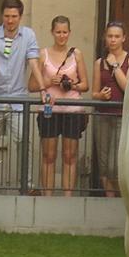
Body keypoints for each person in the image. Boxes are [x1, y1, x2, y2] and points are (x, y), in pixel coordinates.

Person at [0, 0, 42, 197]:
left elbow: (33, 62)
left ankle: (27, 186)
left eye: (14, 16)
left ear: (20, 17)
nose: (10, 20)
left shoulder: (28, 35)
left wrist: (43, 90)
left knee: (24, 142)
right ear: (1, 16)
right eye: (7, 16)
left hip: (17, 100)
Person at [36, 14, 90, 195]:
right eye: (58, 32)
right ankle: (47, 197)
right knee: (48, 156)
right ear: (52, 32)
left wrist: (70, 84)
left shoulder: (77, 54)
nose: (61, 36)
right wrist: (50, 81)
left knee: (70, 155)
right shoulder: (43, 54)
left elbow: (85, 85)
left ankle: (68, 198)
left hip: (72, 109)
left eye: (65, 32)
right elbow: (32, 85)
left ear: (69, 33)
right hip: (49, 110)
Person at [92, 20, 129, 196]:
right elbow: (93, 93)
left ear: (124, 38)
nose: (113, 40)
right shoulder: (99, 63)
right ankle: (109, 200)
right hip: (103, 115)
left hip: (121, 115)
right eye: (110, 36)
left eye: (117, 36)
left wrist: (115, 66)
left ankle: (120, 200)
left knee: (115, 165)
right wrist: (101, 96)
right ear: (105, 38)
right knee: (103, 164)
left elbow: (128, 86)